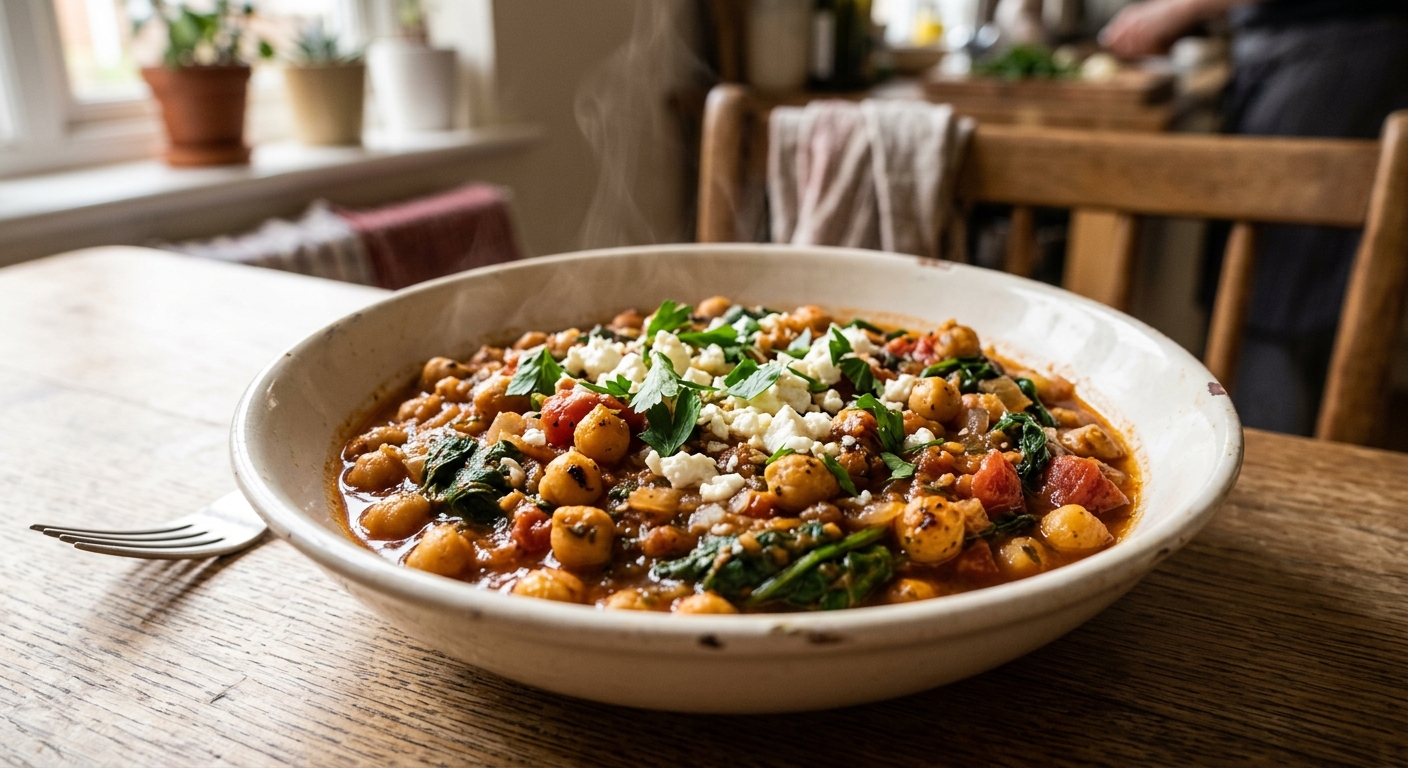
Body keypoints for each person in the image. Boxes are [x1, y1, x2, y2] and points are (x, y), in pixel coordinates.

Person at [1100, 0, 1408, 436]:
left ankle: (1271, 463)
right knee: (1272, 291)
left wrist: (1178, 9)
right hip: (1319, 48)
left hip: (1333, 51)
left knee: (1270, 295)